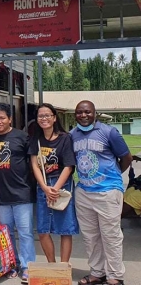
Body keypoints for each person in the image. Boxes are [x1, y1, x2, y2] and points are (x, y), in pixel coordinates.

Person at [71, 101, 131, 285]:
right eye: (79, 112)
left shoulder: (108, 132)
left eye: (87, 112)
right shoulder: (72, 135)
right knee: (90, 236)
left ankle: (115, 275)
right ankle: (97, 272)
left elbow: (126, 157)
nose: (83, 115)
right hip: (84, 192)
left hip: (108, 191)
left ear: (95, 113)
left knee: (111, 235)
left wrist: (112, 177)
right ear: (75, 115)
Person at [0, 103, 36, 284]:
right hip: (0, 196)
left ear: (10, 119)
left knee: (25, 232)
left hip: (22, 193)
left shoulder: (22, 137)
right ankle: (11, 264)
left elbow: (33, 164)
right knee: (5, 234)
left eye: (2, 118)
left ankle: (27, 266)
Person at [29, 103, 78, 264]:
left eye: (47, 115)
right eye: (40, 116)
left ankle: (63, 267)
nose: (44, 119)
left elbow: (69, 166)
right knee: (43, 230)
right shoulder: (35, 139)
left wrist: (55, 188)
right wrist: (44, 187)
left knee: (65, 230)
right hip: (43, 186)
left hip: (61, 185)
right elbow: (34, 164)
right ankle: (52, 265)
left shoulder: (65, 138)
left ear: (54, 117)